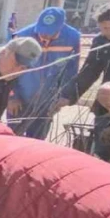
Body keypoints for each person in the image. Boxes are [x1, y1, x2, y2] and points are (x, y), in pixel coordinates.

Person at [56, 1, 110, 160]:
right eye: (101, 28)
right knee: (101, 150)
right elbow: (89, 71)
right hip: (105, 105)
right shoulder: (101, 42)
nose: (103, 32)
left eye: (108, 28)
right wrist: (67, 96)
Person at [9, 7, 81, 139]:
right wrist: (11, 97)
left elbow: (71, 70)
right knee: (12, 138)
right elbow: (9, 69)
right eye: (42, 31)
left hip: (47, 101)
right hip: (20, 99)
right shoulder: (21, 36)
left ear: (61, 27)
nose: (44, 36)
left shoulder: (72, 38)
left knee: (37, 141)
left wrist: (64, 95)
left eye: (50, 33)